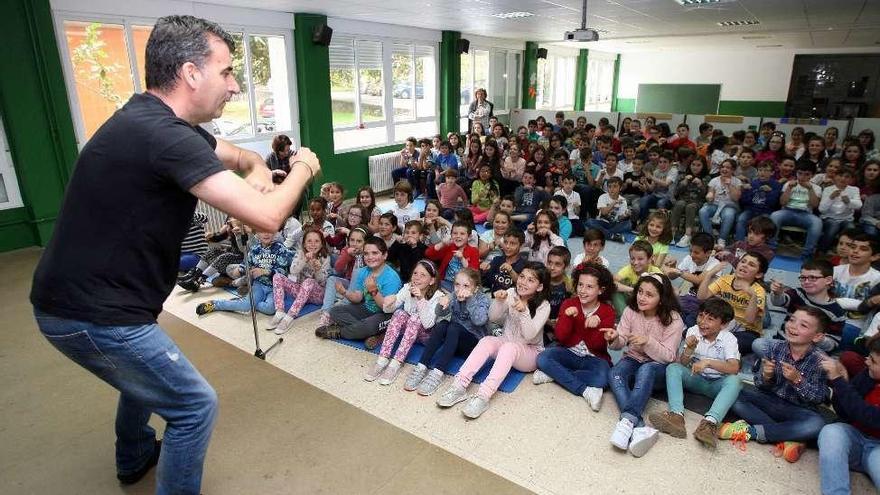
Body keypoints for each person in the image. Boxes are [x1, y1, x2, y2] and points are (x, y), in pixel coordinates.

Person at [30, 15, 321, 495]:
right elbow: (269, 218)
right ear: (190, 73)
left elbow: (232, 154)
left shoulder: (154, 120)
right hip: (92, 313)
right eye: (226, 72)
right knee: (193, 405)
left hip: (91, 300)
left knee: (142, 378)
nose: (233, 86)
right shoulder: (166, 137)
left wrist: (253, 163)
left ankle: (135, 454)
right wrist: (302, 168)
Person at [436, 262, 550, 419]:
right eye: (522, 276)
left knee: (509, 347)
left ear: (540, 287)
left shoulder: (544, 306)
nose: (523, 282)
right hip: (506, 342)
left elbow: (530, 335)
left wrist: (524, 311)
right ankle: (459, 386)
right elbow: (493, 317)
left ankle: (483, 396)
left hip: (529, 352)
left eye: (531, 280)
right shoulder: (511, 292)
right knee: (487, 341)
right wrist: (499, 301)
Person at [720, 307, 831, 463]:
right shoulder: (774, 347)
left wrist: (798, 380)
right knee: (733, 395)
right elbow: (759, 384)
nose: (793, 326)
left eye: (803, 325)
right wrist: (766, 376)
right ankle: (788, 436)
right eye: (792, 320)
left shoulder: (820, 360)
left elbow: (819, 398)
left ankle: (751, 432)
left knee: (816, 424)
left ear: (817, 336)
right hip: (769, 400)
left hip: (799, 410)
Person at [605, 273, 684, 457]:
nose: (641, 297)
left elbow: (670, 356)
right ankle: (638, 426)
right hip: (633, 358)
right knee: (615, 374)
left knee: (646, 369)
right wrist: (614, 338)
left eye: (649, 294)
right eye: (640, 291)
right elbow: (622, 340)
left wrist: (647, 342)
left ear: (661, 298)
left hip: (657, 367)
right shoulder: (631, 311)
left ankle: (627, 421)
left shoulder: (674, 320)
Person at [649, 297, 740, 449]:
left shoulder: (729, 339)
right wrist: (689, 349)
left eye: (710, 319)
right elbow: (682, 363)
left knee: (735, 381)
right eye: (701, 316)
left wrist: (709, 362)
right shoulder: (692, 331)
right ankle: (676, 416)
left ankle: (709, 423)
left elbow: (734, 368)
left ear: (723, 324)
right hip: (696, 379)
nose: (703, 322)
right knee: (673, 368)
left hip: (716, 385)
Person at [534, 263, 617, 411]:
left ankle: (555, 375)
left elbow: (596, 345)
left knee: (603, 378)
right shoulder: (569, 303)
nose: (583, 291)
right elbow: (561, 337)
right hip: (568, 352)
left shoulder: (607, 311)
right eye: (580, 285)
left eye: (589, 287)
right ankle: (585, 391)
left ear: (601, 290)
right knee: (543, 358)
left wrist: (595, 326)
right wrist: (567, 317)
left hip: (594, 358)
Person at [407, 268, 490, 395]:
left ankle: (438, 373)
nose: (460, 289)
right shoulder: (454, 295)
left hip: (472, 346)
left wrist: (470, 299)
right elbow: (439, 313)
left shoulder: (482, 299)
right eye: (457, 284)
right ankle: (421, 366)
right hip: (453, 342)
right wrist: (441, 304)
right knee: (442, 324)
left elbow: (479, 321)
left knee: (454, 327)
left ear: (476, 288)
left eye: (466, 285)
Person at [365, 260, 443, 385]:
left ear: (432, 281)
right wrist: (388, 302)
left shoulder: (437, 296)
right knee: (399, 313)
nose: (417, 278)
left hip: (426, 335)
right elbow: (389, 309)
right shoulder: (407, 288)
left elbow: (428, 324)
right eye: (415, 273)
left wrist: (420, 299)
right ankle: (382, 360)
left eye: (423, 275)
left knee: (415, 318)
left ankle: (396, 363)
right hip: (408, 333)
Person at [818, 336, 880, 494]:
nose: (866, 362)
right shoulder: (868, 374)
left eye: (873, 361)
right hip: (854, 440)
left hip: (877, 450)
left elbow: (870, 417)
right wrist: (842, 383)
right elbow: (842, 410)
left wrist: (839, 381)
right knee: (831, 432)